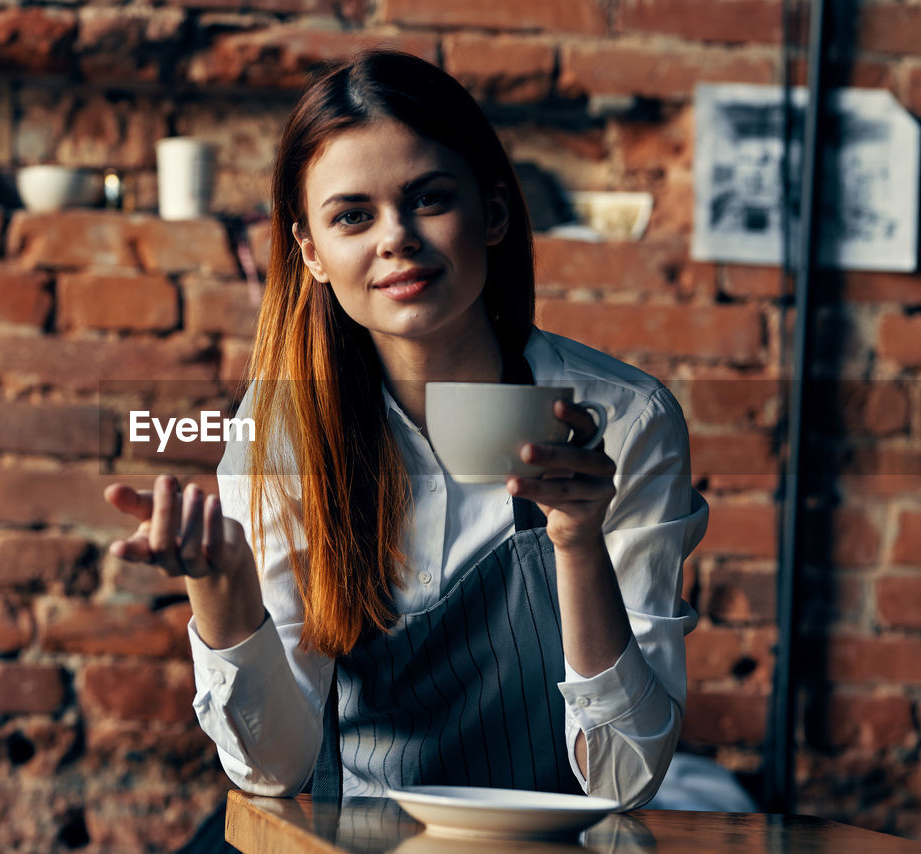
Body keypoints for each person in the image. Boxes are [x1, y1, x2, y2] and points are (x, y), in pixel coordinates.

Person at [105, 49, 707, 809]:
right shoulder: (283, 426)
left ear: (492, 213)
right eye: (353, 216)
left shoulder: (624, 421)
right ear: (312, 254)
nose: (395, 238)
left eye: (428, 200)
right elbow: (276, 769)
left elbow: (624, 782)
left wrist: (579, 544)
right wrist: (222, 594)